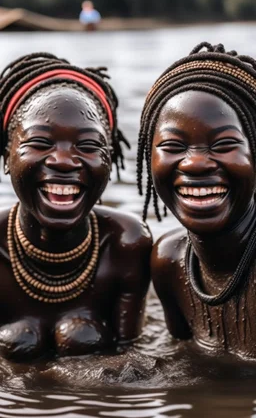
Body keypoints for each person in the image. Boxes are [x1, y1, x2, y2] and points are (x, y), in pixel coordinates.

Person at [0, 53, 152, 360]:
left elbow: (130, 358)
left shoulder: (127, 243)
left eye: (88, 146)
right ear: (7, 156)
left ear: (110, 160)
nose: (64, 160)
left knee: (81, 334)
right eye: (40, 143)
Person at [137, 42, 256, 359]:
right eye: (173, 146)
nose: (195, 163)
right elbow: (184, 362)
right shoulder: (168, 260)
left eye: (225, 144)